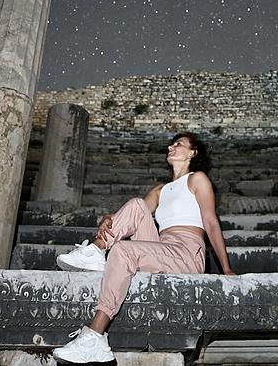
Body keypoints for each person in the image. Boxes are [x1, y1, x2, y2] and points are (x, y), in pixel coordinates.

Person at [52, 132, 236, 365]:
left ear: (192, 152)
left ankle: (95, 335)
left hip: (187, 253)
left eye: (179, 144)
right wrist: (110, 218)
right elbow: (134, 213)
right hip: (163, 247)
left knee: (122, 250)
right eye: (171, 144)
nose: (171, 146)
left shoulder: (197, 179)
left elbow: (211, 222)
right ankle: (96, 250)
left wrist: (226, 268)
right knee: (137, 204)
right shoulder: (161, 190)